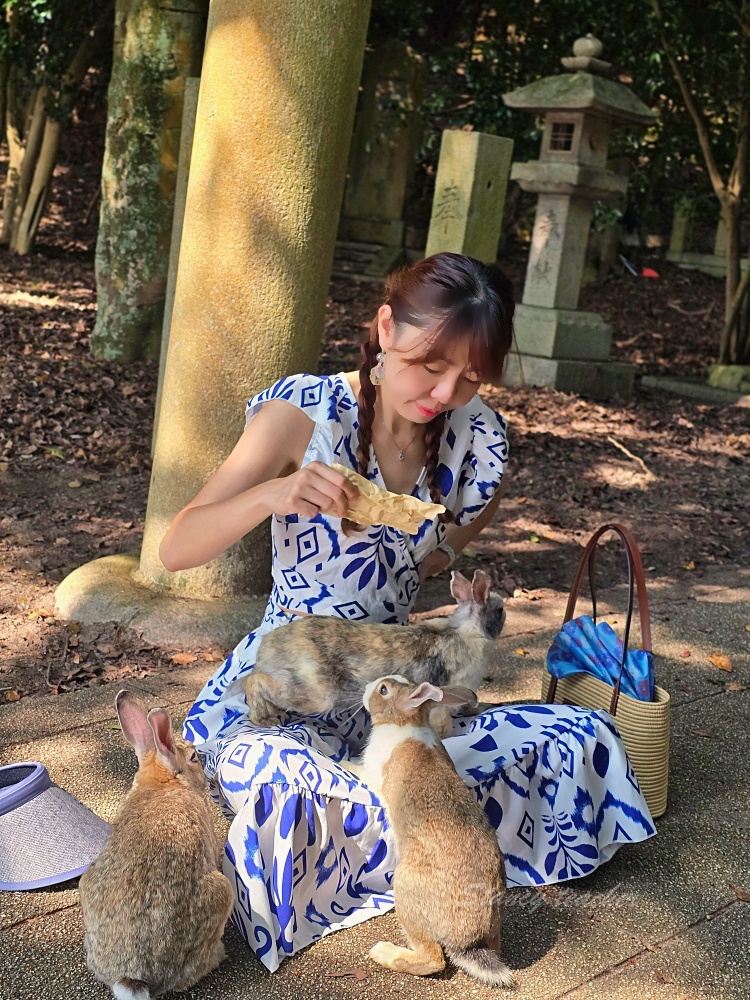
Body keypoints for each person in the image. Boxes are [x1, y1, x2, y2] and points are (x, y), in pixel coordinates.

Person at [160, 253, 655, 973]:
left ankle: (383, 840)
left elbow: (442, 552)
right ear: (387, 327)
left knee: (579, 734)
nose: (446, 391)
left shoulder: (476, 441)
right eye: (431, 364)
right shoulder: (302, 412)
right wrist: (275, 493)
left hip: (395, 705)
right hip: (285, 688)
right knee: (281, 784)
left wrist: (453, 597)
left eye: (472, 376)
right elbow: (179, 546)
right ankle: (419, 838)